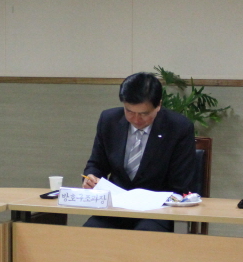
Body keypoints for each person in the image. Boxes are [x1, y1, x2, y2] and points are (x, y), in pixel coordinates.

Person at [81, 72, 195, 232]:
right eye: (129, 111)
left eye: (144, 113)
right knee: (89, 233)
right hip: (116, 207)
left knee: (144, 236)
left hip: (157, 210)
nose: (136, 119)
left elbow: (180, 183)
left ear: (158, 105)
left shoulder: (178, 127)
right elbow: (96, 164)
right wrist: (91, 178)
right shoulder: (109, 120)